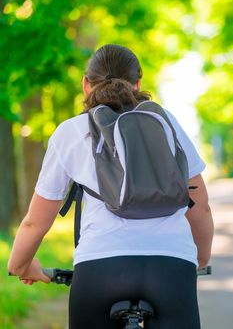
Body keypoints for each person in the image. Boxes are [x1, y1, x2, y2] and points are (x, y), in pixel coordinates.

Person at [7, 44, 213, 329]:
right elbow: (199, 206)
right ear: (138, 83)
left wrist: (20, 265)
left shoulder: (69, 132)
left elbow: (35, 223)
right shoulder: (166, 124)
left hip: (99, 269)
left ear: (85, 84)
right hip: (172, 266)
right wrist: (198, 259)